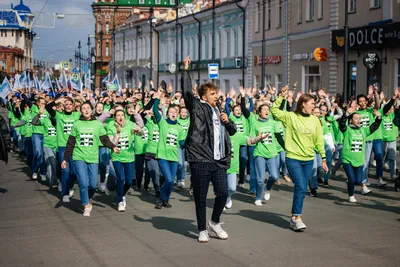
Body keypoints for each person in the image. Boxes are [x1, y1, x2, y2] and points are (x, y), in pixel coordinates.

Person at [182, 56, 237, 243]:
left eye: (217, 93)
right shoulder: (197, 107)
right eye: (213, 94)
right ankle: (202, 229)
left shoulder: (219, 110)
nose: (217, 96)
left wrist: (227, 121)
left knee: (223, 192)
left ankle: (214, 221)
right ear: (204, 96)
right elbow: (186, 93)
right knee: (201, 197)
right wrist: (185, 71)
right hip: (200, 158)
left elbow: (233, 130)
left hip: (219, 159)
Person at [271, 86, 328, 232]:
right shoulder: (291, 117)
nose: (314, 107)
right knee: (301, 186)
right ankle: (297, 217)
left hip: (308, 159)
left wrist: (323, 158)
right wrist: (281, 96)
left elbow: (319, 140)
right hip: (293, 158)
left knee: (301, 188)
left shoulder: (315, 120)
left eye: (315, 105)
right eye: (312, 104)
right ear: (303, 104)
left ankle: (294, 216)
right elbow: (275, 111)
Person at [61, 102, 120, 216]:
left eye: (88, 108)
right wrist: (65, 159)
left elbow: (104, 139)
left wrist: (113, 147)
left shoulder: (97, 124)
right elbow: (71, 143)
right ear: (81, 111)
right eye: (84, 108)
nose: (86, 110)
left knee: (93, 185)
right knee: (83, 182)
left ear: (91, 110)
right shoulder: (77, 124)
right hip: (79, 156)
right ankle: (85, 204)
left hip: (92, 157)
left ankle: (89, 197)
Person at [339, 106, 382, 202]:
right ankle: (351, 195)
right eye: (356, 118)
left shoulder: (364, 130)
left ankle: (350, 182)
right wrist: (346, 115)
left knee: (358, 181)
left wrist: (379, 118)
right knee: (352, 179)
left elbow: (374, 127)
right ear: (351, 121)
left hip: (359, 160)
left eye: (359, 119)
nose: (358, 120)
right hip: (347, 160)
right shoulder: (347, 130)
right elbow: (341, 124)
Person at [152, 90, 185, 209]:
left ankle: (165, 199)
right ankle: (161, 199)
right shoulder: (163, 123)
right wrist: (156, 99)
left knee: (171, 181)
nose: (173, 113)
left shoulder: (179, 127)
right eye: (171, 111)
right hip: (163, 155)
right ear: (167, 114)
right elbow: (155, 111)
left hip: (174, 156)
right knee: (169, 179)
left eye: (175, 112)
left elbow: (182, 142)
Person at [107, 110, 143, 212]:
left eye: (122, 115)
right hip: (116, 156)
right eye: (118, 115)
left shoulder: (130, 124)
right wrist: (118, 132)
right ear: (114, 118)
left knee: (128, 181)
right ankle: (120, 201)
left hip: (129, 157)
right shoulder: (110, 126)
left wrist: (138, 131)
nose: (120, 117)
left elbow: (142, 132)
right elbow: (112, 144)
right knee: (121, 178)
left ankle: (120, 194)